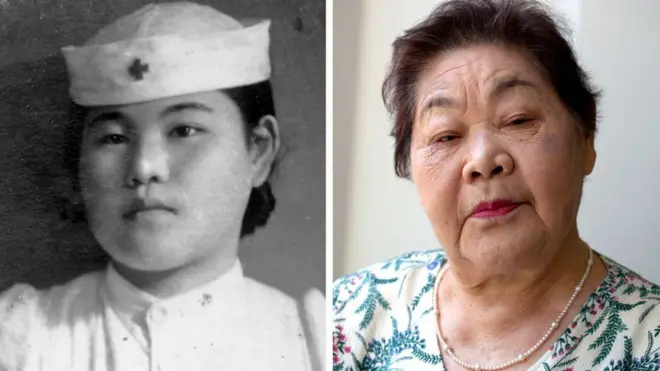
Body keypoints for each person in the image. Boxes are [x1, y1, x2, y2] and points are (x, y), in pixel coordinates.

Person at [333, 0, 660, 370]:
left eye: (518, 120)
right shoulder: (349, 315)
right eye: (446, 136)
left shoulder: (649, 343)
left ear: (586, 139)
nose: (483, 160)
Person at [0, 2, 324, 370]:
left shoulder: (312, 340)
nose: (144, 167)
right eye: (113, 137)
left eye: (184, 131)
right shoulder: (20, 339)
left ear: (258, 151)